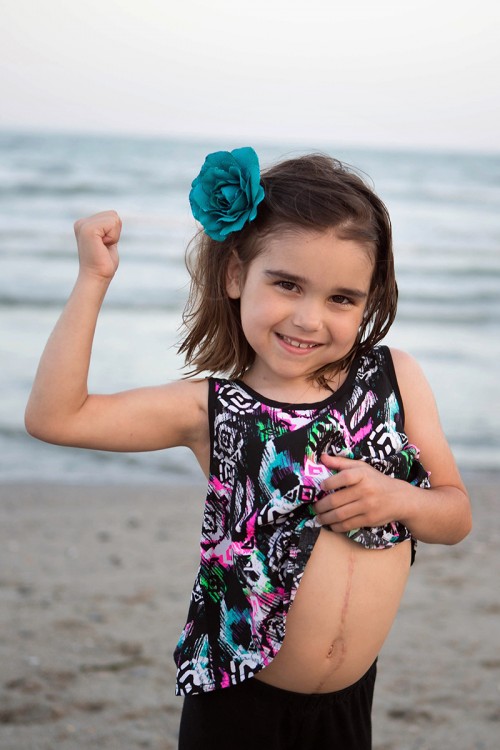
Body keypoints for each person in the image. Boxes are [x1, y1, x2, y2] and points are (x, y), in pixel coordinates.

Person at [25, 147, 472, 750]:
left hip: (349, 702)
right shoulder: (209, 411)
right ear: (236, 275)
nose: (310, 319)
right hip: (238, 701)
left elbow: (455, 516)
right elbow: (56, 417)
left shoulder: (395, 377)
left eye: (342, 298)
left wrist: (400, 499)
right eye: (287, 285)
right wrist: (93, 279)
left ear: (371, 300)